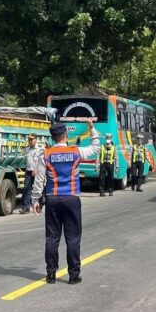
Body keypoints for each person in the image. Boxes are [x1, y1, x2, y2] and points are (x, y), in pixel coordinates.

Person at [31, 118, 99, 285]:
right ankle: (74, 275)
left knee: (52, 237)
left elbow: (39, 180)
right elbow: (96, 148)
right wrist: (92, 128)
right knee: (73, 238)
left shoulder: (45, 154)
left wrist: (35, 200)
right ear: (65, 135)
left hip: (53, 199)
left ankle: (51, 274)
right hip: (72, 198)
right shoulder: (76, 151)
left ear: (53, 137)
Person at [20, 133, 42, 213]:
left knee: (38, 189)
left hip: (38, 171)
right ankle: (26, 207)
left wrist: (36, 169)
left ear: (36, 140)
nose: (30, 141)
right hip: (29, 171)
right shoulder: (26, 149)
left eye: (32, 139)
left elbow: (42, 161)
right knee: (26, 189)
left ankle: (39, 206)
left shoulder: (40, 149)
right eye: (29, 139)